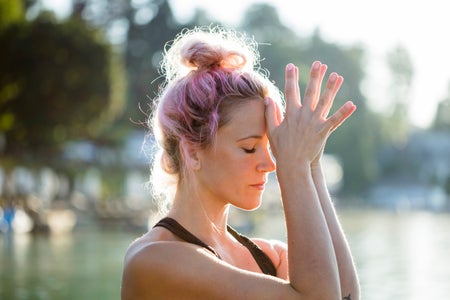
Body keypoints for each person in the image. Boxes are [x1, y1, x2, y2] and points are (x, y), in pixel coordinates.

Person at [121, 25, 360, 300]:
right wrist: (293, 169)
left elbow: (346, 296)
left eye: (271, 147)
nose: (270, 165)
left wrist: (310, 163)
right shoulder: (154, 259)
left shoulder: (270, 257)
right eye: (249, 148)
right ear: (193, 152)